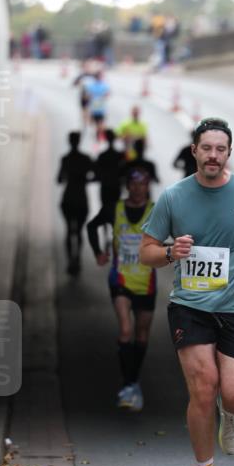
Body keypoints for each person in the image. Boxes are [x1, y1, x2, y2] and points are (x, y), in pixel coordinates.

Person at [139, 117, 234, 466]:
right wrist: (169, 252)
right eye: (206, 148)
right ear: (194, 151)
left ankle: (230, 413)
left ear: (228, 153)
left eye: (220, 149)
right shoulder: (174, 197)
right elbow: (145, 252)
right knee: (202, 387)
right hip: (190, 306)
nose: (213, 155)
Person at [87, 168, 156, 411]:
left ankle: (133, 381)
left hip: (146, 282)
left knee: (141, 335)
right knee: (126, 330)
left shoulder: (156, 211)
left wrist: (169, 251)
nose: (138, 188)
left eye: (143, 184)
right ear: (128, 186)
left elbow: (176, 233)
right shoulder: (114, 209)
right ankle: (128, 384)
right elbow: (91, 226)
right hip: (120, 279)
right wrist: (98, 253)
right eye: (134, 184)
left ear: (148, 186)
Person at [56, 131, 95, 276]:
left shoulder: (65, 159)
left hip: (68, 197)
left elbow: (59, 179)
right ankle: (77, 257)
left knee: (68, 230)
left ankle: (69, 260)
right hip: (81, 198)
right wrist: (84, 179)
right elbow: (95, 175)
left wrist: (69, 177)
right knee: (78, 231)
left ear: (69, 141)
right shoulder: (86, 159)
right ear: (79, 141)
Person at [93, 129, 126, 223]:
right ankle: (114, 230)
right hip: (116, 186)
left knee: (105, 208)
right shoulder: (120, 155)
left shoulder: (102, 156)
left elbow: (97, 173)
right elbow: (124, 172)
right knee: (115, 208)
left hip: (106, 186)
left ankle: (106, 231)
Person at [84, 69, 110, 137]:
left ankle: (98, 133)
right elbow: (107, 94)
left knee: (96, 122)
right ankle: (99, 133)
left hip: (94, 107)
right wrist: (102, 96)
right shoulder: (104, 85)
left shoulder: (90, 85)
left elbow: (87, 96)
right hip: (100, 107)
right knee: (100, 122)